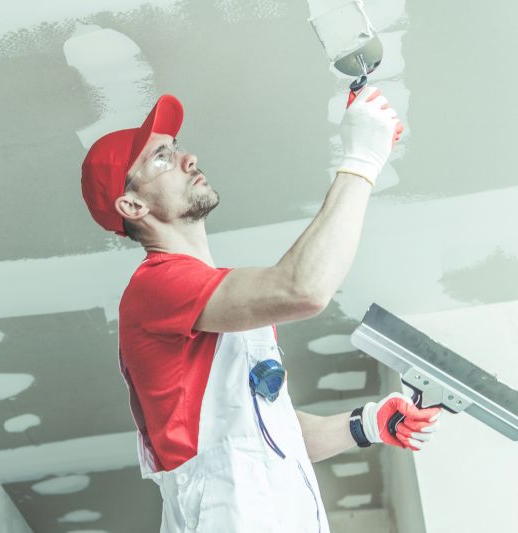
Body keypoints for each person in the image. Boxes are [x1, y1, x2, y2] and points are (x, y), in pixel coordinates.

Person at [80, 89, 441, 532]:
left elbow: (271, 434)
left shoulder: (217, 300)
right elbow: (303, 289)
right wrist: (361, 160)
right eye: (161, 158)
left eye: (176, 148)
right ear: (133, 205)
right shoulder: (155, 287)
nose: (188, 159)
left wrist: (367, 424)